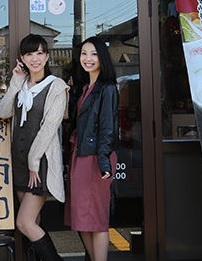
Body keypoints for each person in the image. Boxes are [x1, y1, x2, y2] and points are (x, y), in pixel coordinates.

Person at [0, 34, 69, 261]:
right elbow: (4, 112)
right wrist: (15, 82)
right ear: (22, 58)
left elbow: (49, 128)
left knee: (24, 223)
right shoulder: (22, 86)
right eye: (29, 54)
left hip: (38, 163)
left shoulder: (56, 86)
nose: (35, 58)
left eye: (40, 53)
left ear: (47, 56)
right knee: (34, 222)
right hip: (18, 162)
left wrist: (33, 163)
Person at [67, 37, 119, 261]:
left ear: (102, 58)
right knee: (81, 218)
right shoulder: (85, 87)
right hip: (81, 156)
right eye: (84, 54)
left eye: (94, 54)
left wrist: (104, 160)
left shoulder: (107, 89)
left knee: (96, 219)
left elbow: (108, 127)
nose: (88, 59)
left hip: (97, 158)